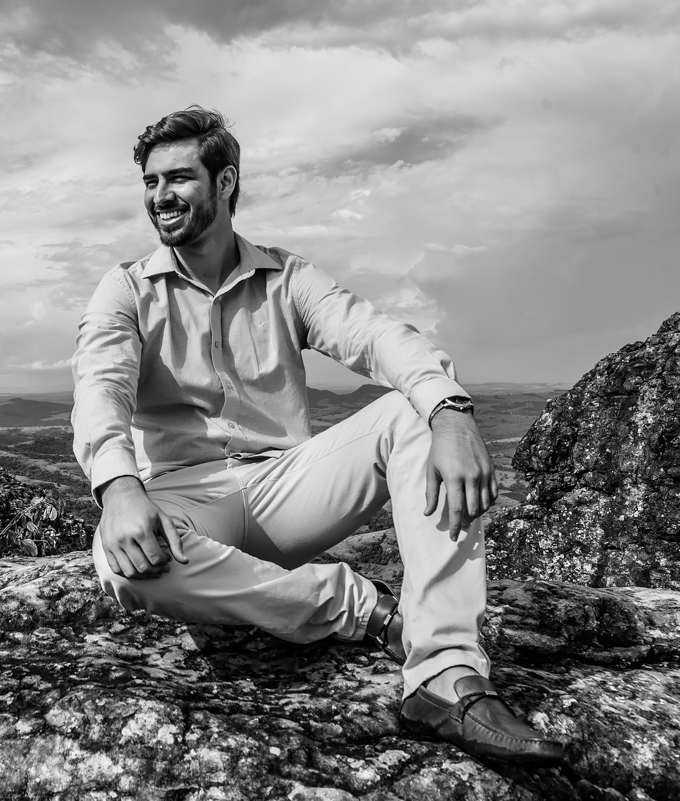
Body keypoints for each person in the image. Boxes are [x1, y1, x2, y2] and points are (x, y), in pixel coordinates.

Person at [71, 106, 565, 765]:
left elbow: (375, 335)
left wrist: (450, 412)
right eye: (151, 182)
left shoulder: (288, 277)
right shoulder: (126, 289)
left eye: (179, 178)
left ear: (225, 182)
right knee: (123, 565)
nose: (160, 195)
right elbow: (100, 386)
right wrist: (118, 486)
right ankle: (363, 608)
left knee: (414, 414)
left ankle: (446, 675)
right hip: (184, 495)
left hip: (288, 487)